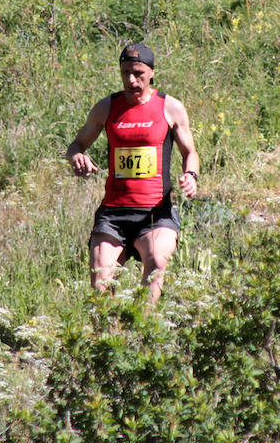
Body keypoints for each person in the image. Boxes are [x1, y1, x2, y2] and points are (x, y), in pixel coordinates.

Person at [66, 43, 199, 305]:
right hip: (114, 213)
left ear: (151, 73)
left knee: (157, 263)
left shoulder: (169, 107)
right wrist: (77, 157)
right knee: (100, 279)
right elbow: (76, 144)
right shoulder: (106, 108)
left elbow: (190, 152)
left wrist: (191, 175)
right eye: (125, 72)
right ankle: (109, 337)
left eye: (138, 73)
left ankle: (143, 331)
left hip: (155, 212)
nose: (131, 80)